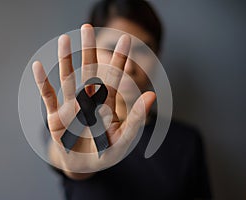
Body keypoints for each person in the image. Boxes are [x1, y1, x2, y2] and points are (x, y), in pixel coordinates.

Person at [32, 0, 211, 199]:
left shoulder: (186, 142)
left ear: (157, 56)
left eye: (143, 50)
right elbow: (61, 157)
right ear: (91, 51)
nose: (128, 67)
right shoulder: (69, 129)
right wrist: (76, 163)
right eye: (111, 49)